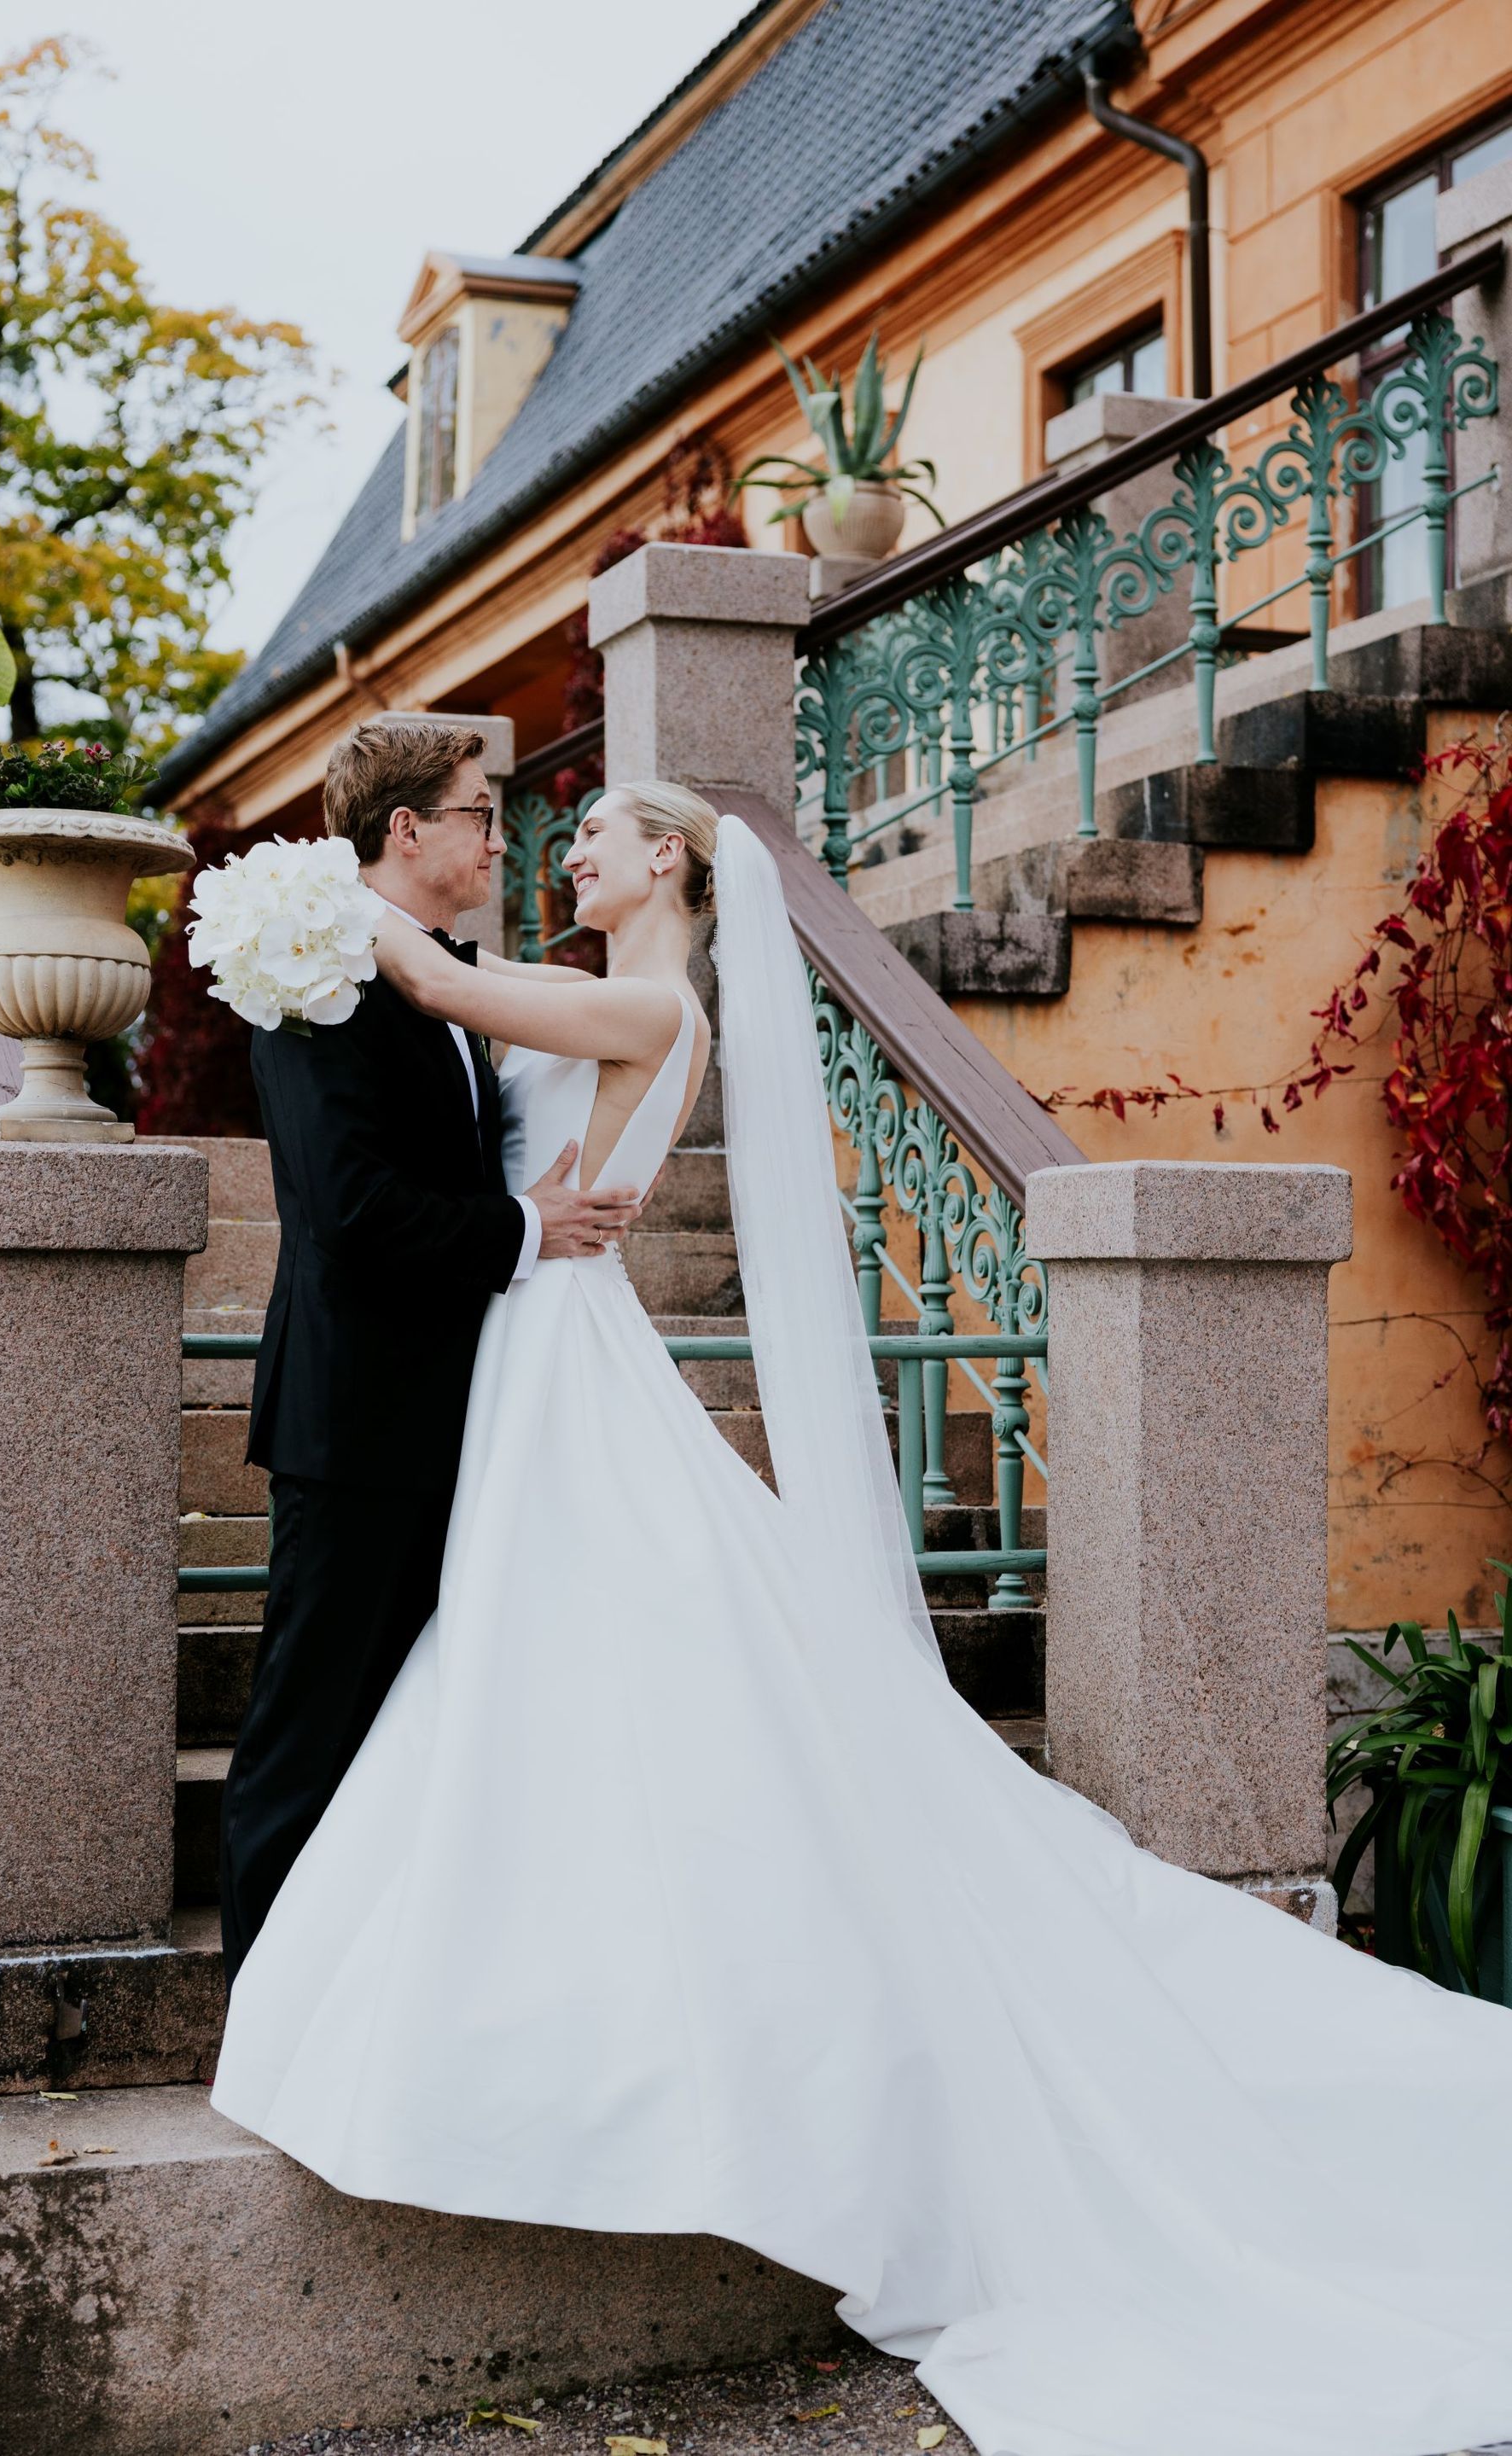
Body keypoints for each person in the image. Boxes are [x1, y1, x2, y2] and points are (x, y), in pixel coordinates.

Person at [213, 780, 1512, 2456]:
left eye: (602, 832)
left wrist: (308, 906)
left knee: (579, 1658)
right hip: (524, 1342)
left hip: (557, 1340)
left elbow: (450, 991)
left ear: (672, 860)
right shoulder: (606, 980)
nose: (570, 850)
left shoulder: (644, 994)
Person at [218, 716, 643, 1982]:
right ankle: (265, 2002)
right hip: (353, 1426)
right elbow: (348, 1210)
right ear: (405, 829)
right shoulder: (313, 971)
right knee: (309, 1732)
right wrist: (527, 1224)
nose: (498, 837)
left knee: (404, 1740)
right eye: (479, 811)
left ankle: (358, 2001)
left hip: (453, 1419)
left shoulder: (432, 976)